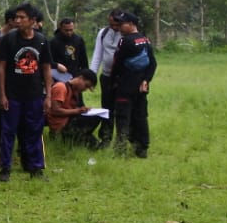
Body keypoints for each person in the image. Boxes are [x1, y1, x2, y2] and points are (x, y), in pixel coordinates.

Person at [0, 2, 54, 182]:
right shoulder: (8, 40)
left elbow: (46, 69)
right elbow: (1, 68)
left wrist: (48, 96)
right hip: (12, 94)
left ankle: (35, 167)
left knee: (35, 131)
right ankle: (5, 168)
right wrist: (2, 94)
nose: (18, 21)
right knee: (8, 131)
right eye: (16, 18)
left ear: (32, 20)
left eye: (22, 18)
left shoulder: (42, 40)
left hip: (35, 94)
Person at [109, 12, 157, 158]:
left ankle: (120, 150)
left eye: (122, 24)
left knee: (123, 118)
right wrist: (146, 80)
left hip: (125, 87)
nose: (119, 27)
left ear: (131, 24)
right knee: (141, 116)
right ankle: (142, 149)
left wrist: (112, 82)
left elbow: (117, 64)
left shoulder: (125, 41)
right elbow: (153, 63)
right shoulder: (145, 40)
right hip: (141, 88)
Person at [89, 10, 124, 148]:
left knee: (121, 109)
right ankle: (105, 138)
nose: (114, 27)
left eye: (116, 24)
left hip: (122, 79)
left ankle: (122, 139)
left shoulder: (126, 34)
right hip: (106, 77)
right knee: (106, 108)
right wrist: (92, 77)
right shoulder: (103, 33)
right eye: (111, 24)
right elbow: (98, 55)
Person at [47, 69, 106, 147]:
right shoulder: (61, 87)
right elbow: (55, 111)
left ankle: (82, 138)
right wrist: (77, 111)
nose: (85, 89)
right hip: (61, 127)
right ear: (80, 78)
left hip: (69, 123)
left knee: (97, 117)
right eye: (86, 86)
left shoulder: (75, 91)